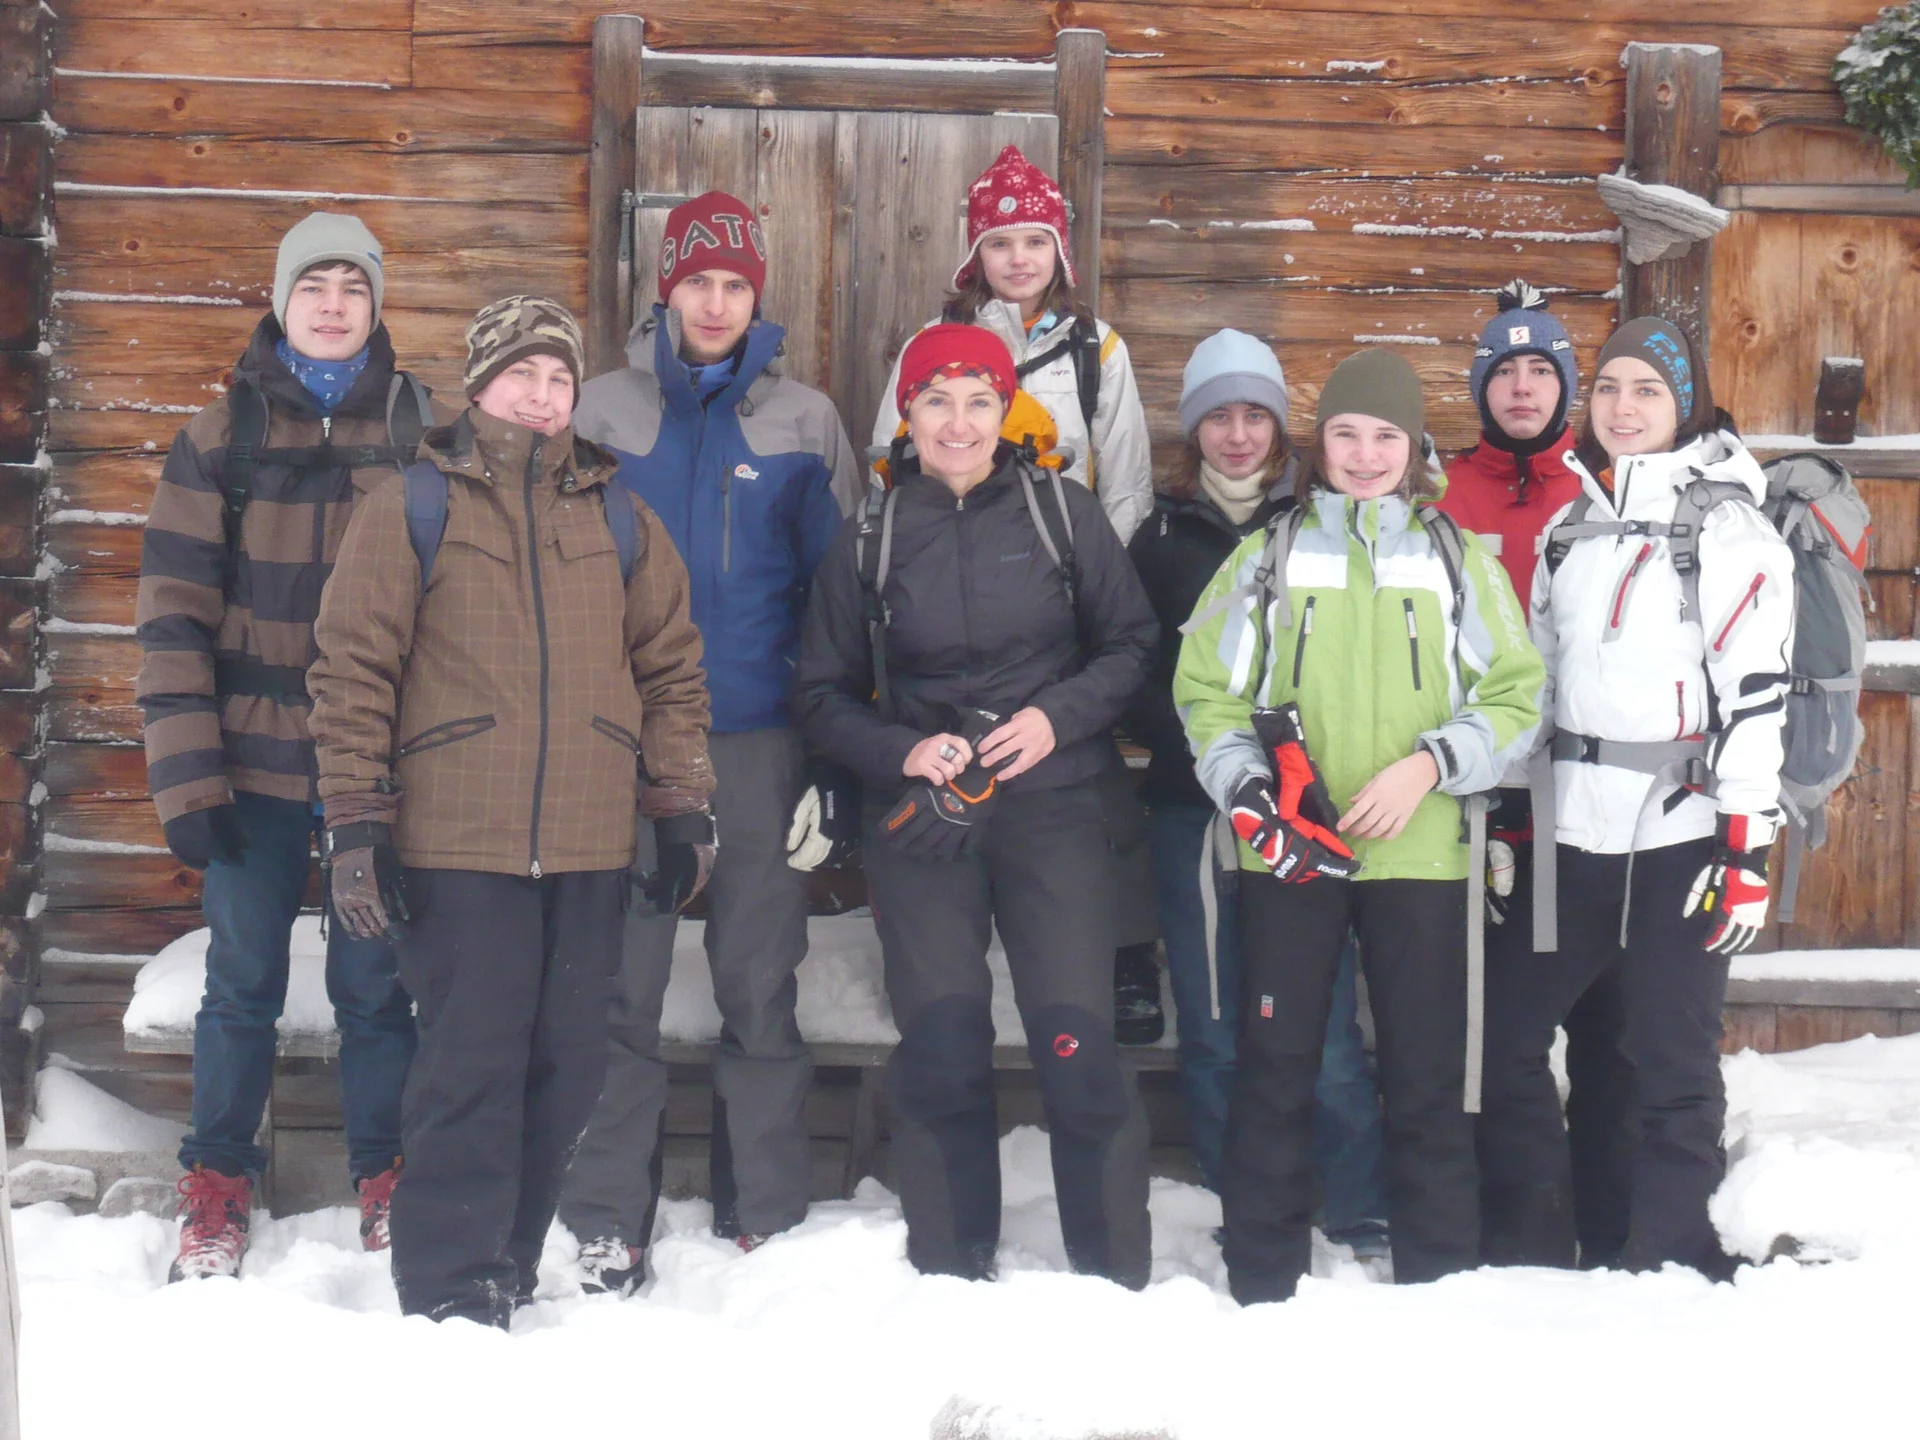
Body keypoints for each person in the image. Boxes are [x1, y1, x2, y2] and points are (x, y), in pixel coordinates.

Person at [307, 297, 717, 1326]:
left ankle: (509, 1267)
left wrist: (679, 802)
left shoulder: (619, 518)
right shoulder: (412, 506)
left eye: (559, 380)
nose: (541, 397)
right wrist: (356, 819)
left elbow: (671, 670)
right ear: (480, 385)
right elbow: (352, 670)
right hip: (457, 842)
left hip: (587, 843)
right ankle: (452, 1290)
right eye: (521, 376)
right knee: (471, 1069)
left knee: (567, 1069)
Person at [1176, 348, 1544, 1304]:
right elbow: (1206, 692)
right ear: (1321, 443)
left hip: (1423, 856)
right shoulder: (1269, 557)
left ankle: (1439, 1280)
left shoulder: (1456, 559)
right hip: (1291, 854)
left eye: (1386, 436)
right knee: (1276, 1068)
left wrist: (1432, 765)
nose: (1366, 454)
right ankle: (1263, 1283)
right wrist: (1253, 795)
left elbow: (1517, 695)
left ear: (1414, 448)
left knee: (1426, 1077)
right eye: (1346, 433)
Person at [799, 325, 1157, 1287]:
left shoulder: (1061, 513)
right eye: (936, 402)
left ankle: (1113, 1276)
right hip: (926, 821)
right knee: (943, 1043)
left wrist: (1054, 720)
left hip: (1056, 809)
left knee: (1076, 1043)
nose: (957, 424)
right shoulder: (870, 534)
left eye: (978, 402)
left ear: (1006, 412)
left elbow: (1131, 645)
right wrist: (903, 750)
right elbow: (821, 693)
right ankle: (951, 1270)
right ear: (908, 415)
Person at [555, 191, 861, 1291]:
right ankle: (608, 1216)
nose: (718, 302)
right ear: (667, 289)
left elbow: (840, 600)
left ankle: (763, 1208)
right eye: (699, 282)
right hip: (624, 742)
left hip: (756, 739)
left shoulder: (805, 422)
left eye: (736, 284)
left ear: (755, 296)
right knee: (618, 986)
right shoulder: (600, 411)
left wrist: (830, 753)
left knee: (759, 979)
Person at [137, 212, 445, 1282]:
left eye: (352, 287)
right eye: (312, 285)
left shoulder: (422, 432)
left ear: (375, 305)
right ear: (281, 300)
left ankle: (387, 1176)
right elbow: (172, 618)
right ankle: (218, 1184)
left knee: (376, 985)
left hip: (376, 771)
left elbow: (458, 617)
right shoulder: (222, 436)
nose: (332, 305)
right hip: (249, 766)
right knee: (241, 982)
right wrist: (188, 780)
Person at [1478, 317, 1793, 1279]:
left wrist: (1745, 847)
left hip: (1680, 836)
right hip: (1568, 834)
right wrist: (1507, 814)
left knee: (1670, 1060)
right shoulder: (1572, 528)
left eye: (1647, 390)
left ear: (1683, 403)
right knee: (1504, 1042)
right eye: (1610, 387)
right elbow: (1535, 688)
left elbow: (1756, 696)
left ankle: (1671, 1256)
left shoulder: (1730, 530)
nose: (1623, 407)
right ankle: (1535, 1247)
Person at [871, 144, 1162, 1045]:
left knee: (1086, 776)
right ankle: (931, 961)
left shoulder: (1094, 349)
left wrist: (1095, 587)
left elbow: (1126, 481)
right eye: (1000, 242)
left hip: (1063, 588)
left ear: (1060, 251)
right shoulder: (934, 346)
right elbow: (887, 462)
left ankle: (1120, 954)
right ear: (976, 255)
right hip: (949, 572)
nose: (1019, 258)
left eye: (1036, 241)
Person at [1127, 330, 1387, 1259]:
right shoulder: (1161, 537)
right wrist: (1204, 747)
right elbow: (1134, 667)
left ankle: (1357, 1207)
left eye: (1254, 416)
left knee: (1328, 1026)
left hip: (1308, 813)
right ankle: (1231, 1198)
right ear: (1193, 430)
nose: (1237, 436)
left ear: (1280, 428)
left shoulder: (1321, 524)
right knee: (1212, 1021)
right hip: (1192, 812)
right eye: (1218, 418)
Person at [1436, 279, 1638, 1268]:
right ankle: (1521, 1231)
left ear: (1567, 388)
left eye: (1542, 371)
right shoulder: (1440, 497)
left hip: (1592, 798)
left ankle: (1615, 1225)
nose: (1523, 388)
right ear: (1481, 386)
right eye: (1505, 370)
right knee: (1492, 1024)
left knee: (1609, 1024)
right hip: (1484, 801)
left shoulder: (1603, 493)